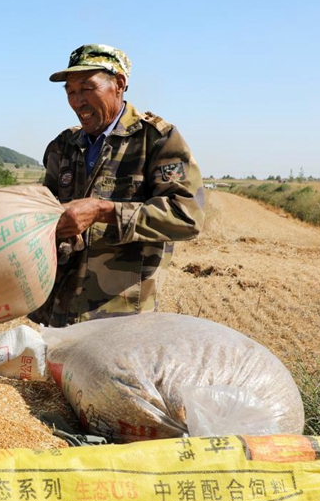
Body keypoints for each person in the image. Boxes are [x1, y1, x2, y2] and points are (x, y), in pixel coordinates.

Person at [30, 44, 205, 327]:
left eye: (87, 88)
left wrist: (103, 211)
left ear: (119, 84)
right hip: (57, 316)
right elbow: (41, 212)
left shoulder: (156, 140)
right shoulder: (64, 146)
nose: (77, 101)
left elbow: (187, 216)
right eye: (70, 92)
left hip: (120, 319)